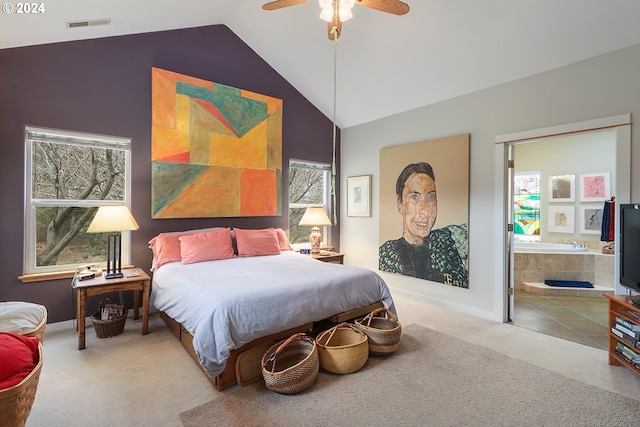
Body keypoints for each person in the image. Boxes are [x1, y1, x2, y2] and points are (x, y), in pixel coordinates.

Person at [379, 162, 468, 287]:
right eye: (414, 197)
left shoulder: (454, 239)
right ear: (400, 205)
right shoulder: (385, 255)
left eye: (431, 197)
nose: (424, 211)